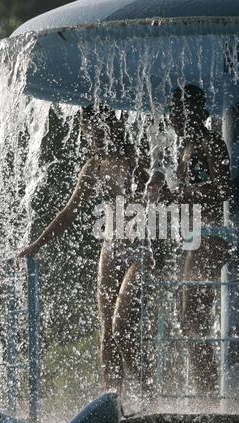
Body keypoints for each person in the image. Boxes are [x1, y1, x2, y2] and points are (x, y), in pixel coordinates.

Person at [17, 103, 163, 396]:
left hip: (142, 251)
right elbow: (68, 213)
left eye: (95, 131)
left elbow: (160, 193)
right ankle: (112, 400)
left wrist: (156, 187)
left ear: (110, 127)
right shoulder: (93, 167)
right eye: (87, 133)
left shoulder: (137, 161)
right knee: (107, 332)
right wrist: (35, 245)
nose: (91, 138)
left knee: (122, 325)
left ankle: (147, 392)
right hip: (110, 250)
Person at [169, 84, 232, 394]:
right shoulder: (188, 147)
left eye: (175, 111)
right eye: (170, 111)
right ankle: (202, 388)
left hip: (209, 237)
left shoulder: (211, 143)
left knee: (193, 317)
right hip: (195, 237)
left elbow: (223, 191)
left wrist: (181, 193)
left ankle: (206, 393)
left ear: (193, 113)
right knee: (188, 318)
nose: (170, 118)